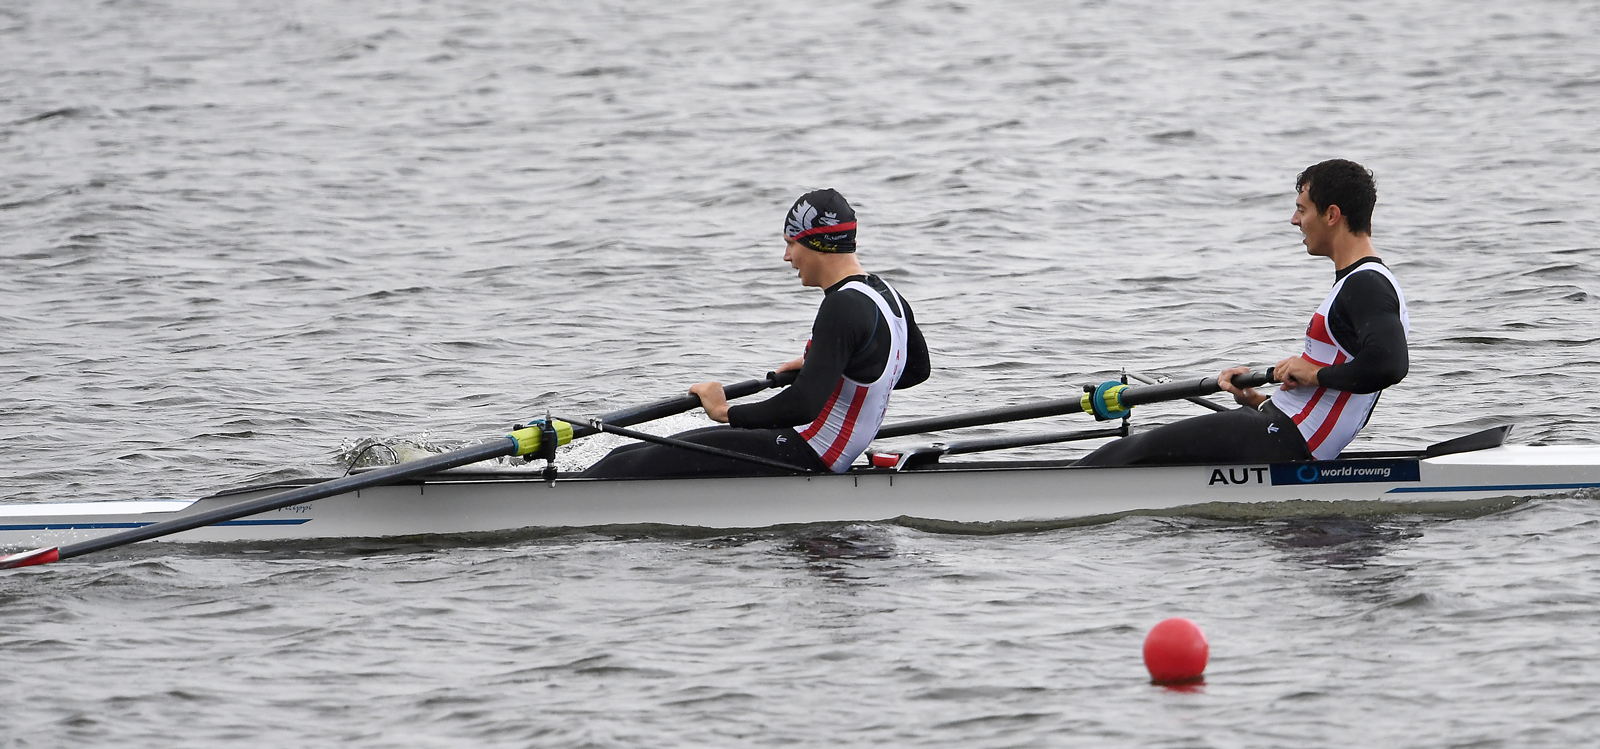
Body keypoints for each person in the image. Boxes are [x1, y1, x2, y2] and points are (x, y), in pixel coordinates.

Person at [1077, 159, 1409, 466]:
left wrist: (1313, 374)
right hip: (1279, 427)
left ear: (1332, 215)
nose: (1295, 220)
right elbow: (1330, 395)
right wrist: (1254, 398)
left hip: (1287, 439)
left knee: (1125, 453)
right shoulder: (1359, 282)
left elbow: (1389, 365)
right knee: (1128, 454)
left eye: (1302, 210)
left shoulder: (1366, 284)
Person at [581, 188, 930, 478]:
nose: (787, 256)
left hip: (804, 451)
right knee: (629, 452)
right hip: (813, 447)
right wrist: (827, 368)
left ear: (817, 244)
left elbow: (803, 406)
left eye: (791, 243)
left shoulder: (842, 306)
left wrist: (725, 411)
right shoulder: (885, 293)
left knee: (622, 466)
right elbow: (914, 370)